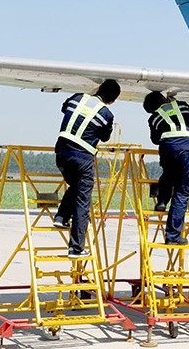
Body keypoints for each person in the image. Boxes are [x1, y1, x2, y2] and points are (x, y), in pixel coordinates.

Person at [53, 79, 121, 259]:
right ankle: (76, 248)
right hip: (82, 158)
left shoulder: (77, 98)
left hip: (61, 154)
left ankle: (60, 218)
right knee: (83, 200)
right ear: (112, 100)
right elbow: (105, 137)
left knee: (76, 187)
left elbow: (64, 108)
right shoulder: (106, 114)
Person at [143, 91, 189, 245]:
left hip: (168, 150)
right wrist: (174, 101)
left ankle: (162, 201)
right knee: (181, 192)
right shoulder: (181, 105)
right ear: (163, 98)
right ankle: (173, 236)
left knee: (167, 175)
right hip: (187, 149)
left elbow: (155, 140)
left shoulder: (154, 117)